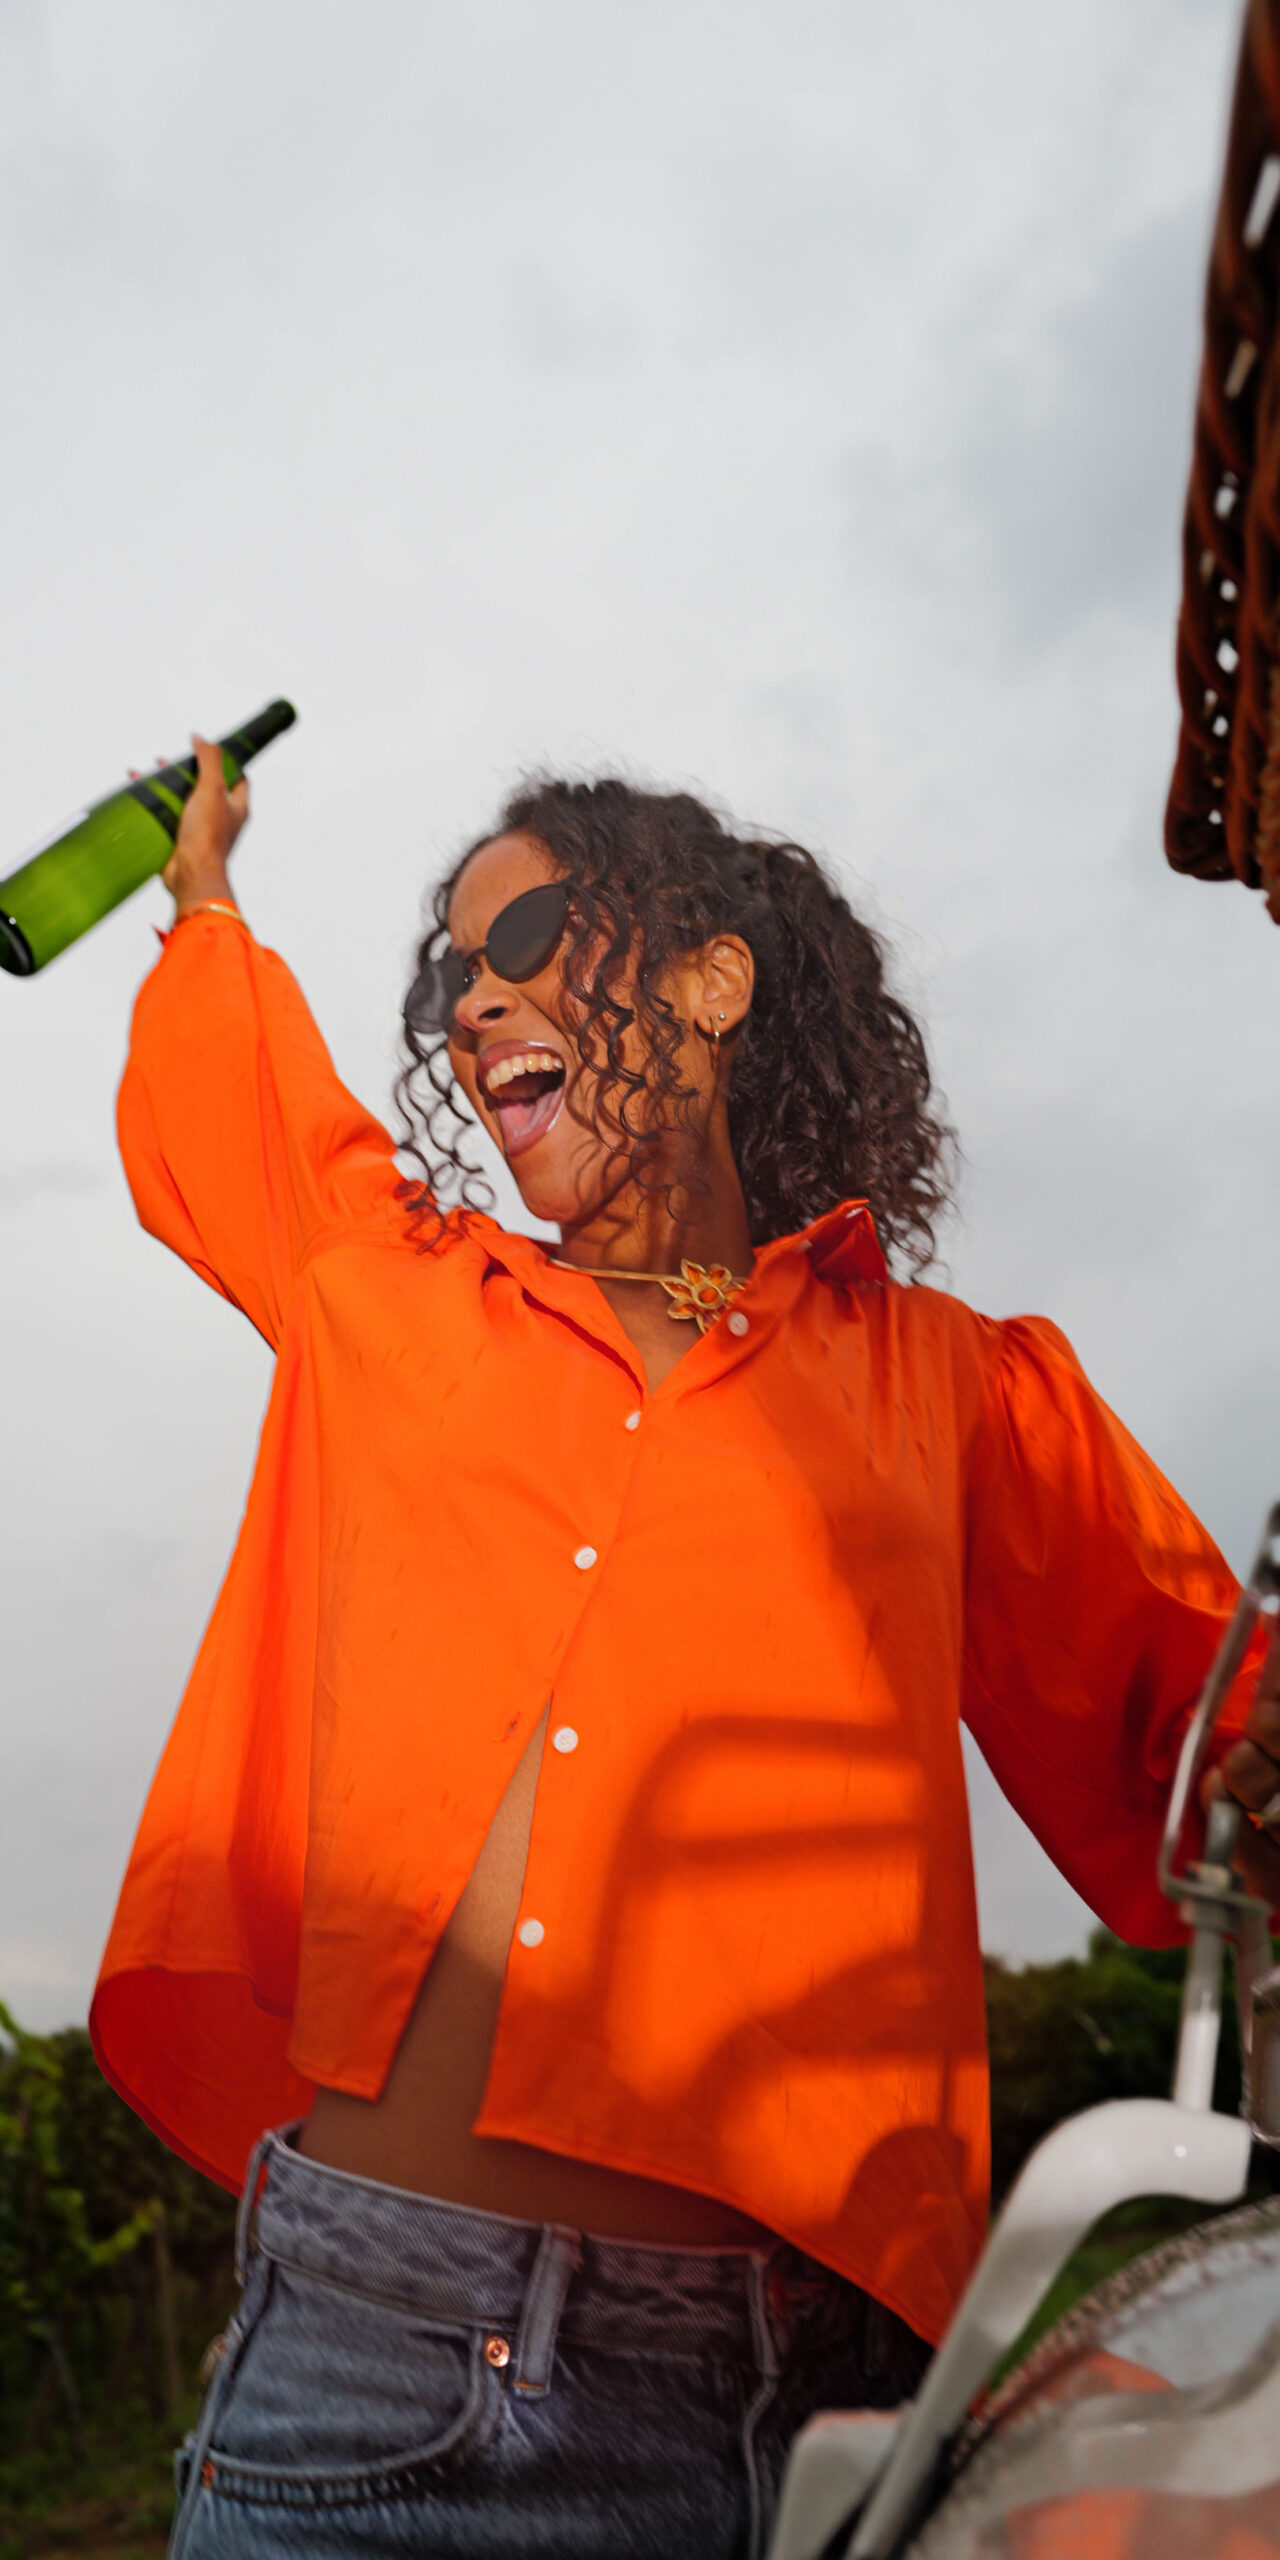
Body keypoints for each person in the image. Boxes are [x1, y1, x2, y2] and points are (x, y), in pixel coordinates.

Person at [90, 738, 1280, 2560]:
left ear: (713, 982)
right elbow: (226, 1101)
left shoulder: (955, 1396)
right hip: (353, 2366)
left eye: (536, 931)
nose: (476, 995)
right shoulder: (391, 1293)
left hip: (752, 2433)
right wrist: (200, 898)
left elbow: (1208, 1733)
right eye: (450, 975)